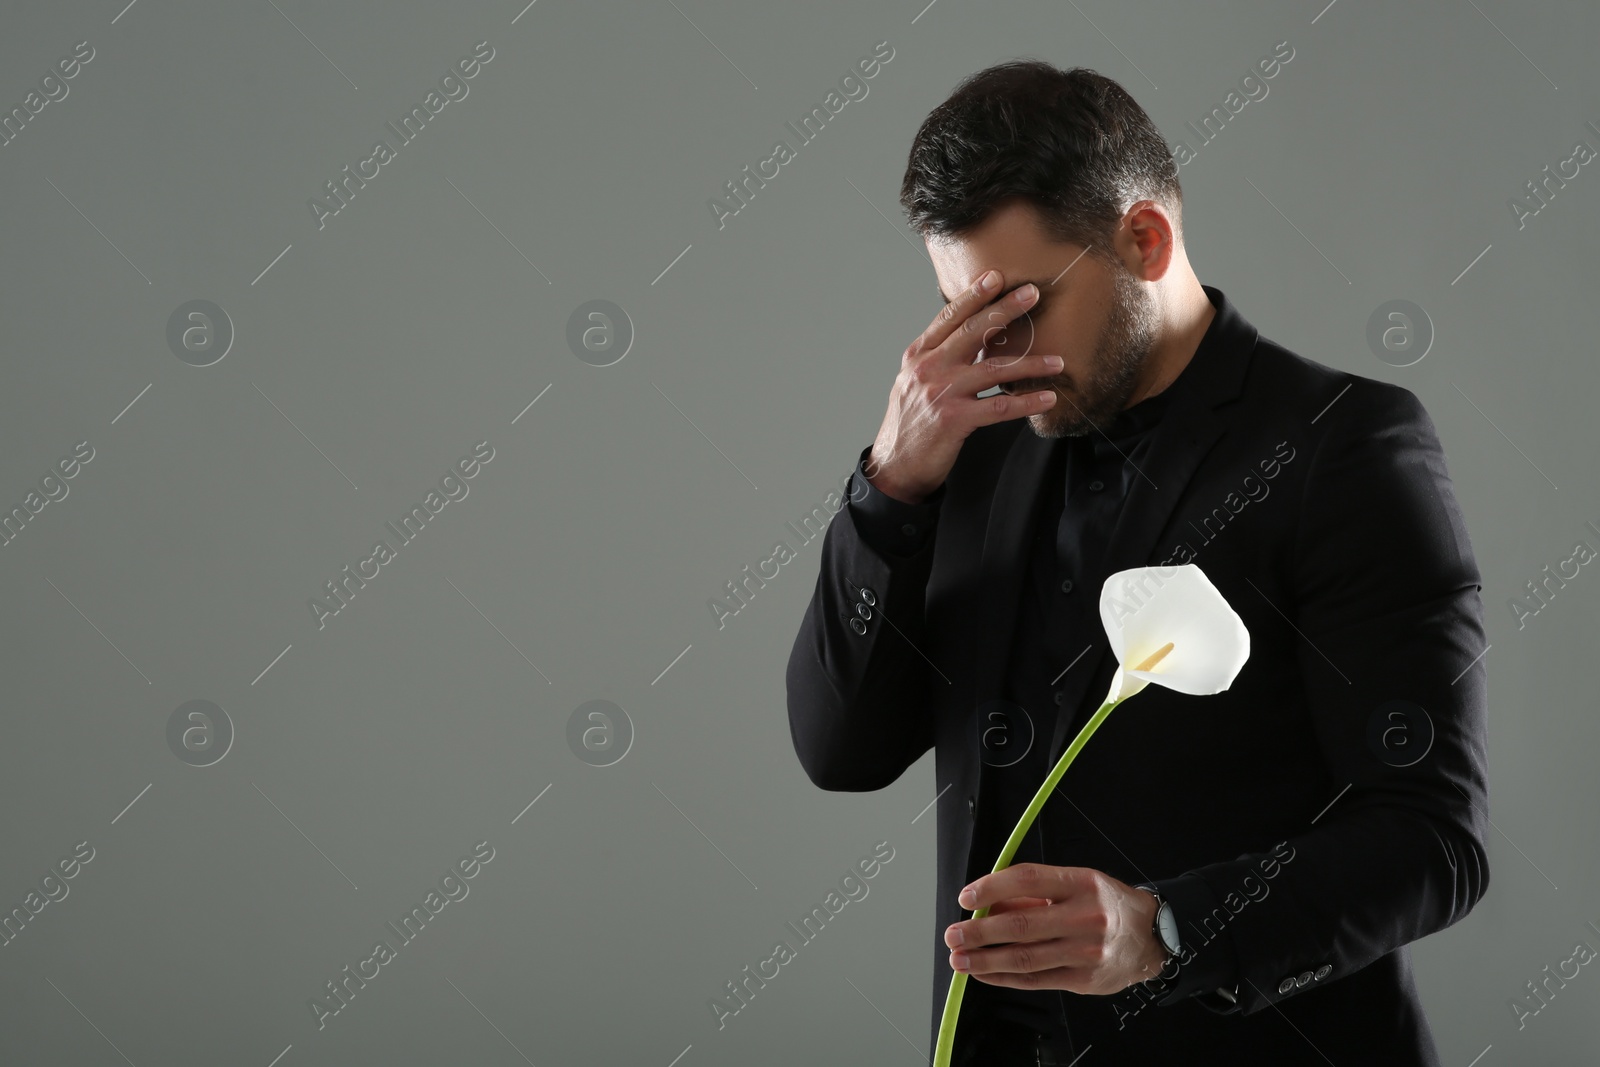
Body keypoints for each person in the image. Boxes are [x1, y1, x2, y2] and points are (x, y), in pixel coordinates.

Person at [784, 61, 1490, 1065]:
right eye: (961, 312)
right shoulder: (965, 445)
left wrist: (1162, 930)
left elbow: (1433, 840)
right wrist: (888, 487)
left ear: (1144, 238)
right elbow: (838, 750)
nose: (991, 352)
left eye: (1020, 308)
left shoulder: (1348, 447)